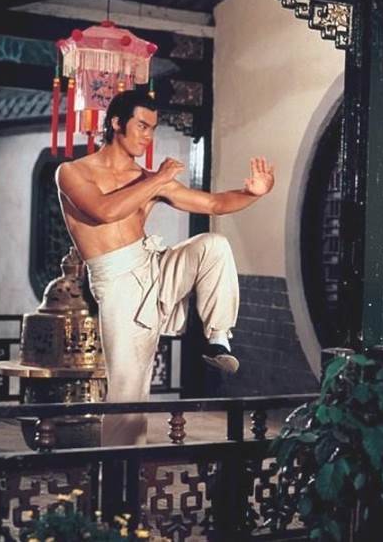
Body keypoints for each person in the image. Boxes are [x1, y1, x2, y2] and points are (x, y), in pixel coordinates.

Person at [56, 90, 275, 445]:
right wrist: (157, 180)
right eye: (142, 126)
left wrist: (254, 194)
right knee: (128, 394)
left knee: (213, 245)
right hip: (116, 283)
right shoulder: (72, 172)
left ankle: (218, 340)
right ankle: (119, 475)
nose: (148, 136)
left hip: (153, 265)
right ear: (116, 123)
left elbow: (214, 204)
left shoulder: (148, 177)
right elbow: (104, 212)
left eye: (153, 129)